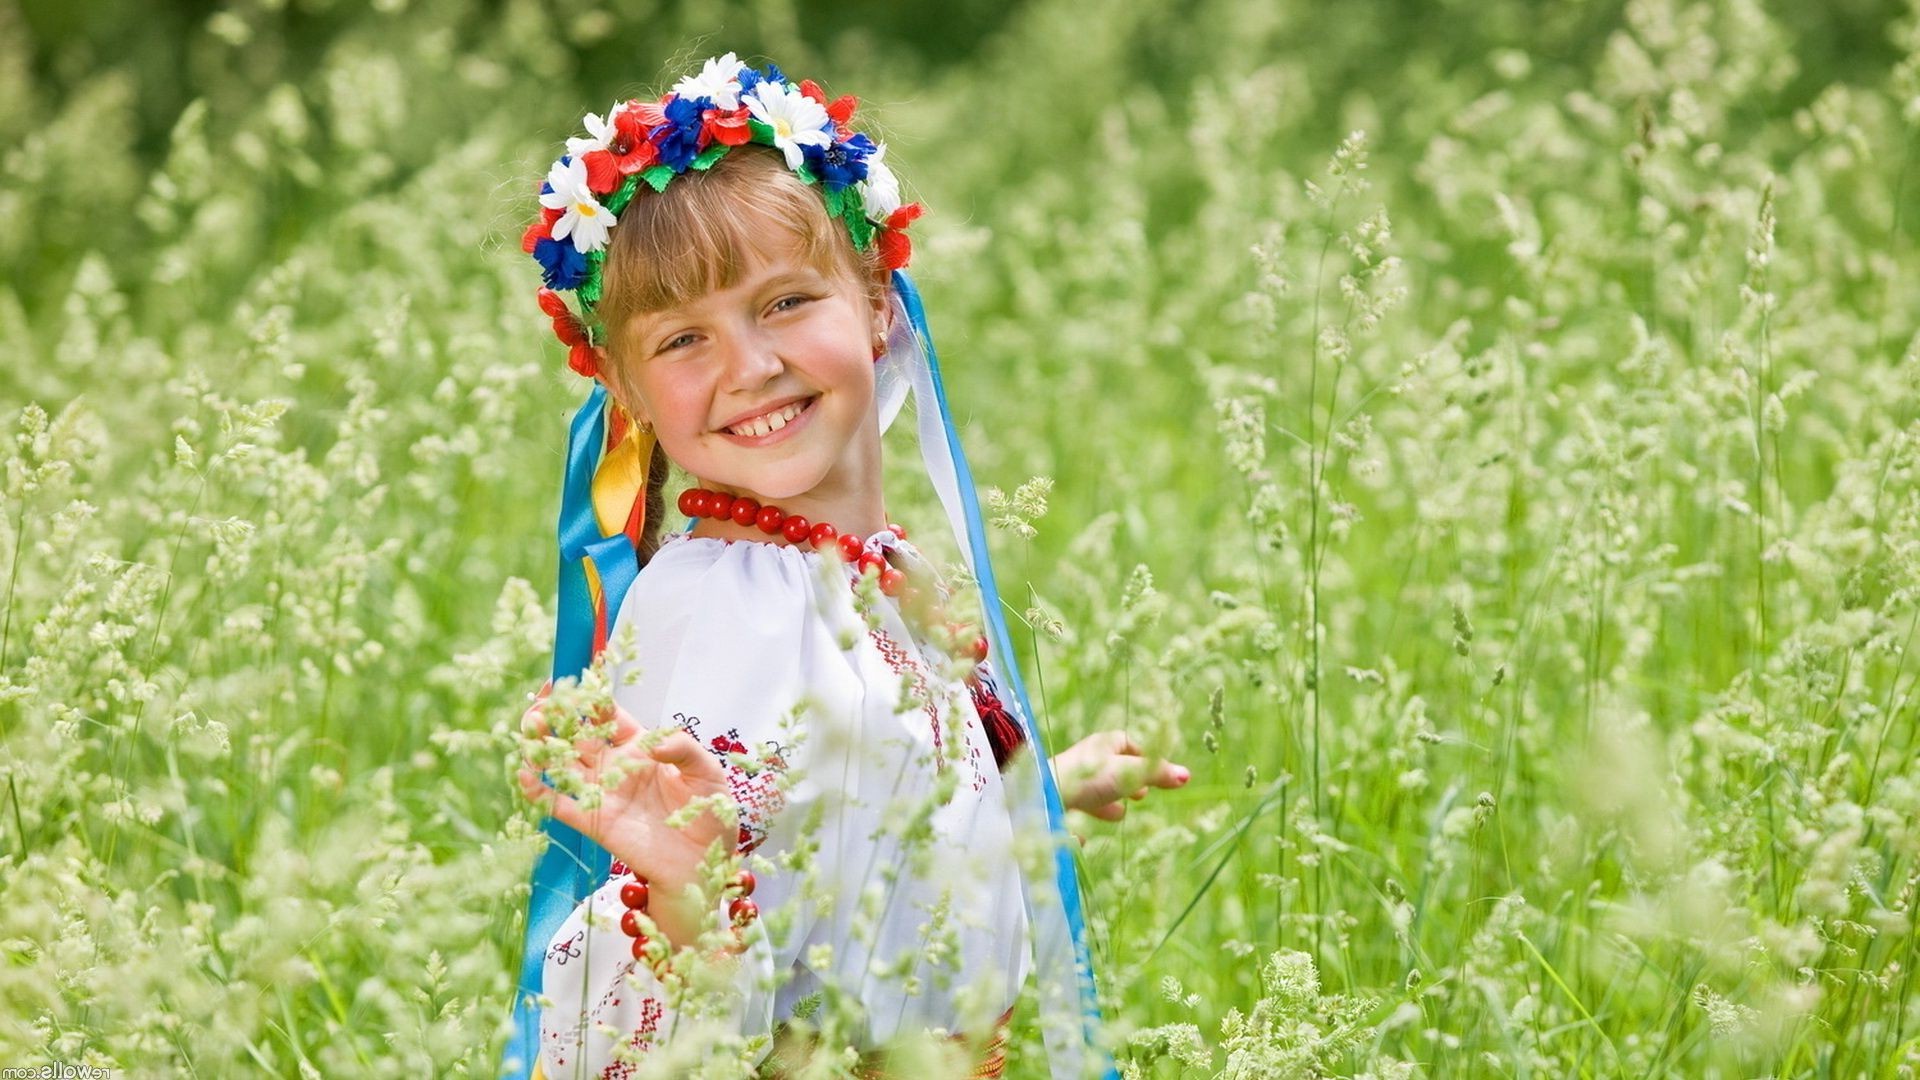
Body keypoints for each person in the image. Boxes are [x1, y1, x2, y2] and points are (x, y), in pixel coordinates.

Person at [500, 53, 1189, 1080]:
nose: (749, 366)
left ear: (875, 300)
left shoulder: (875, 573)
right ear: (627, 390)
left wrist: (1036, 798)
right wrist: (690, 895)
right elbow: (695, 987)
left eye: (782, 303)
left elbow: (876, 845)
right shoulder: (717, 604)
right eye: (685, 337)